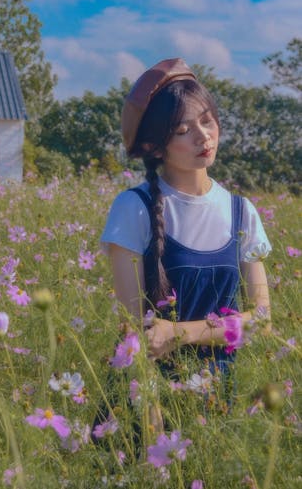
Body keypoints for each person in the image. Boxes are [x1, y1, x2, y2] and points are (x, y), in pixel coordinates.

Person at [97, 58, 271, 428]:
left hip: (221, 405)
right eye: (182, 130)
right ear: (154, 146)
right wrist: (155, 433)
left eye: (207, 121)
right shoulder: (134, 208)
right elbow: (134, 334)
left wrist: (179, 333)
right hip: (148, 403)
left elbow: (262, 321)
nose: (203, 136)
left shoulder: (243, 212)